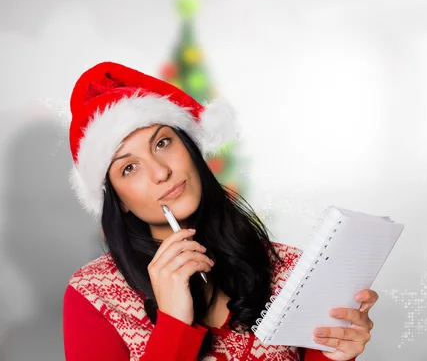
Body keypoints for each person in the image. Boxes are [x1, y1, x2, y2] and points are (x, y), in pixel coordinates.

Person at [62, 62, 378, 360]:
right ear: (118, 200)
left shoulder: (291, 270)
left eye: (163, 143)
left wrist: (336, 352)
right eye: (129, 167)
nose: (160, 172)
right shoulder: (94, 297)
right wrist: (173, 324)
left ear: (190, 148)